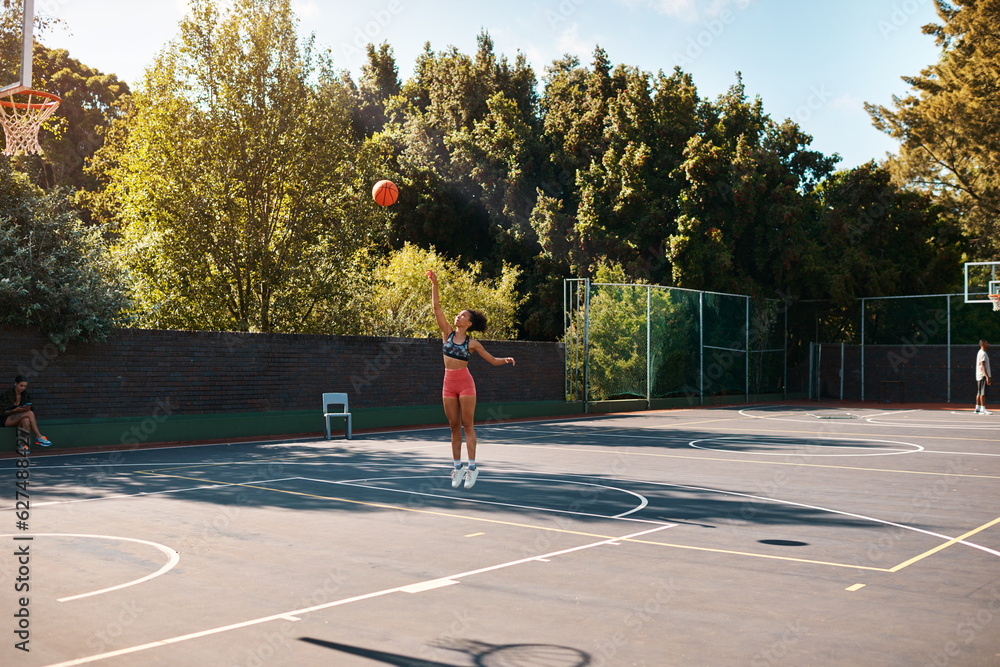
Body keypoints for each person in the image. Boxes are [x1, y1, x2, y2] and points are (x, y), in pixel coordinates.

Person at [426, 270, 514, 489]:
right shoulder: (446, 332)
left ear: (469, 323)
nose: (458, 316)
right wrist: (434, 284)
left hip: (465, 383)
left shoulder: (472, 343)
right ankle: (458, 468)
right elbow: (436, 308)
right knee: (453, 426)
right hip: (448, 383)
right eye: (457, 314)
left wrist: (505, 360)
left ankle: (472, 469)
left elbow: (492, 360)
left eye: (463, 316)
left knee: (467, 425)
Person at [2, 375, 52, 447]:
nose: (23, 388)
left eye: (25, 386)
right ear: (15, 384)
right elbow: (2, 412)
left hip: (20, 418)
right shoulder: (7, 395)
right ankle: (39, 436)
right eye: (21, 385)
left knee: (26, 420)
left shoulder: (25, 395)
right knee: (30, 413)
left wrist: (27, 409)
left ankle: (24, 445)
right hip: (6, 420)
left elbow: (30, 409)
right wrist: (14, 410)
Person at [975, 339, 992, 415]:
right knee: (983, 393)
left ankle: (977, 408)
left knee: (979, 392)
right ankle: (982, 408)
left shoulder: (980, 352)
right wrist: (987, 376)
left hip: (980, 375)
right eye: (986, 343)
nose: (988, 344)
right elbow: (983, 366)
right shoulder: (983, 353)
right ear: (983, 344)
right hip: (982, 376)